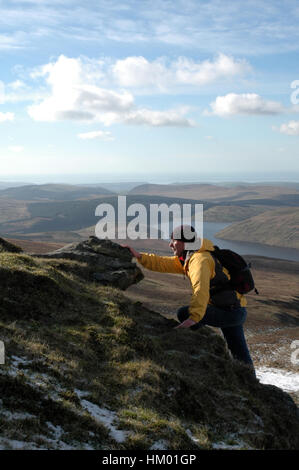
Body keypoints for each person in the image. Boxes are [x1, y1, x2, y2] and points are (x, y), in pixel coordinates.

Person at [124, 225, 254, 370]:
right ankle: (252, 383)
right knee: (240, 352)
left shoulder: (199, 260)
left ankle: (198, 339)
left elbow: (200, 290)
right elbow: (163, 263)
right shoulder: (191, 255)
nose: (170, 244)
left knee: (184, 313)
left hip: (229, 312)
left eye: (173, 240)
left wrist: (193, 319)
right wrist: (139, 256)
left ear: (184, 242)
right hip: (234, 309)